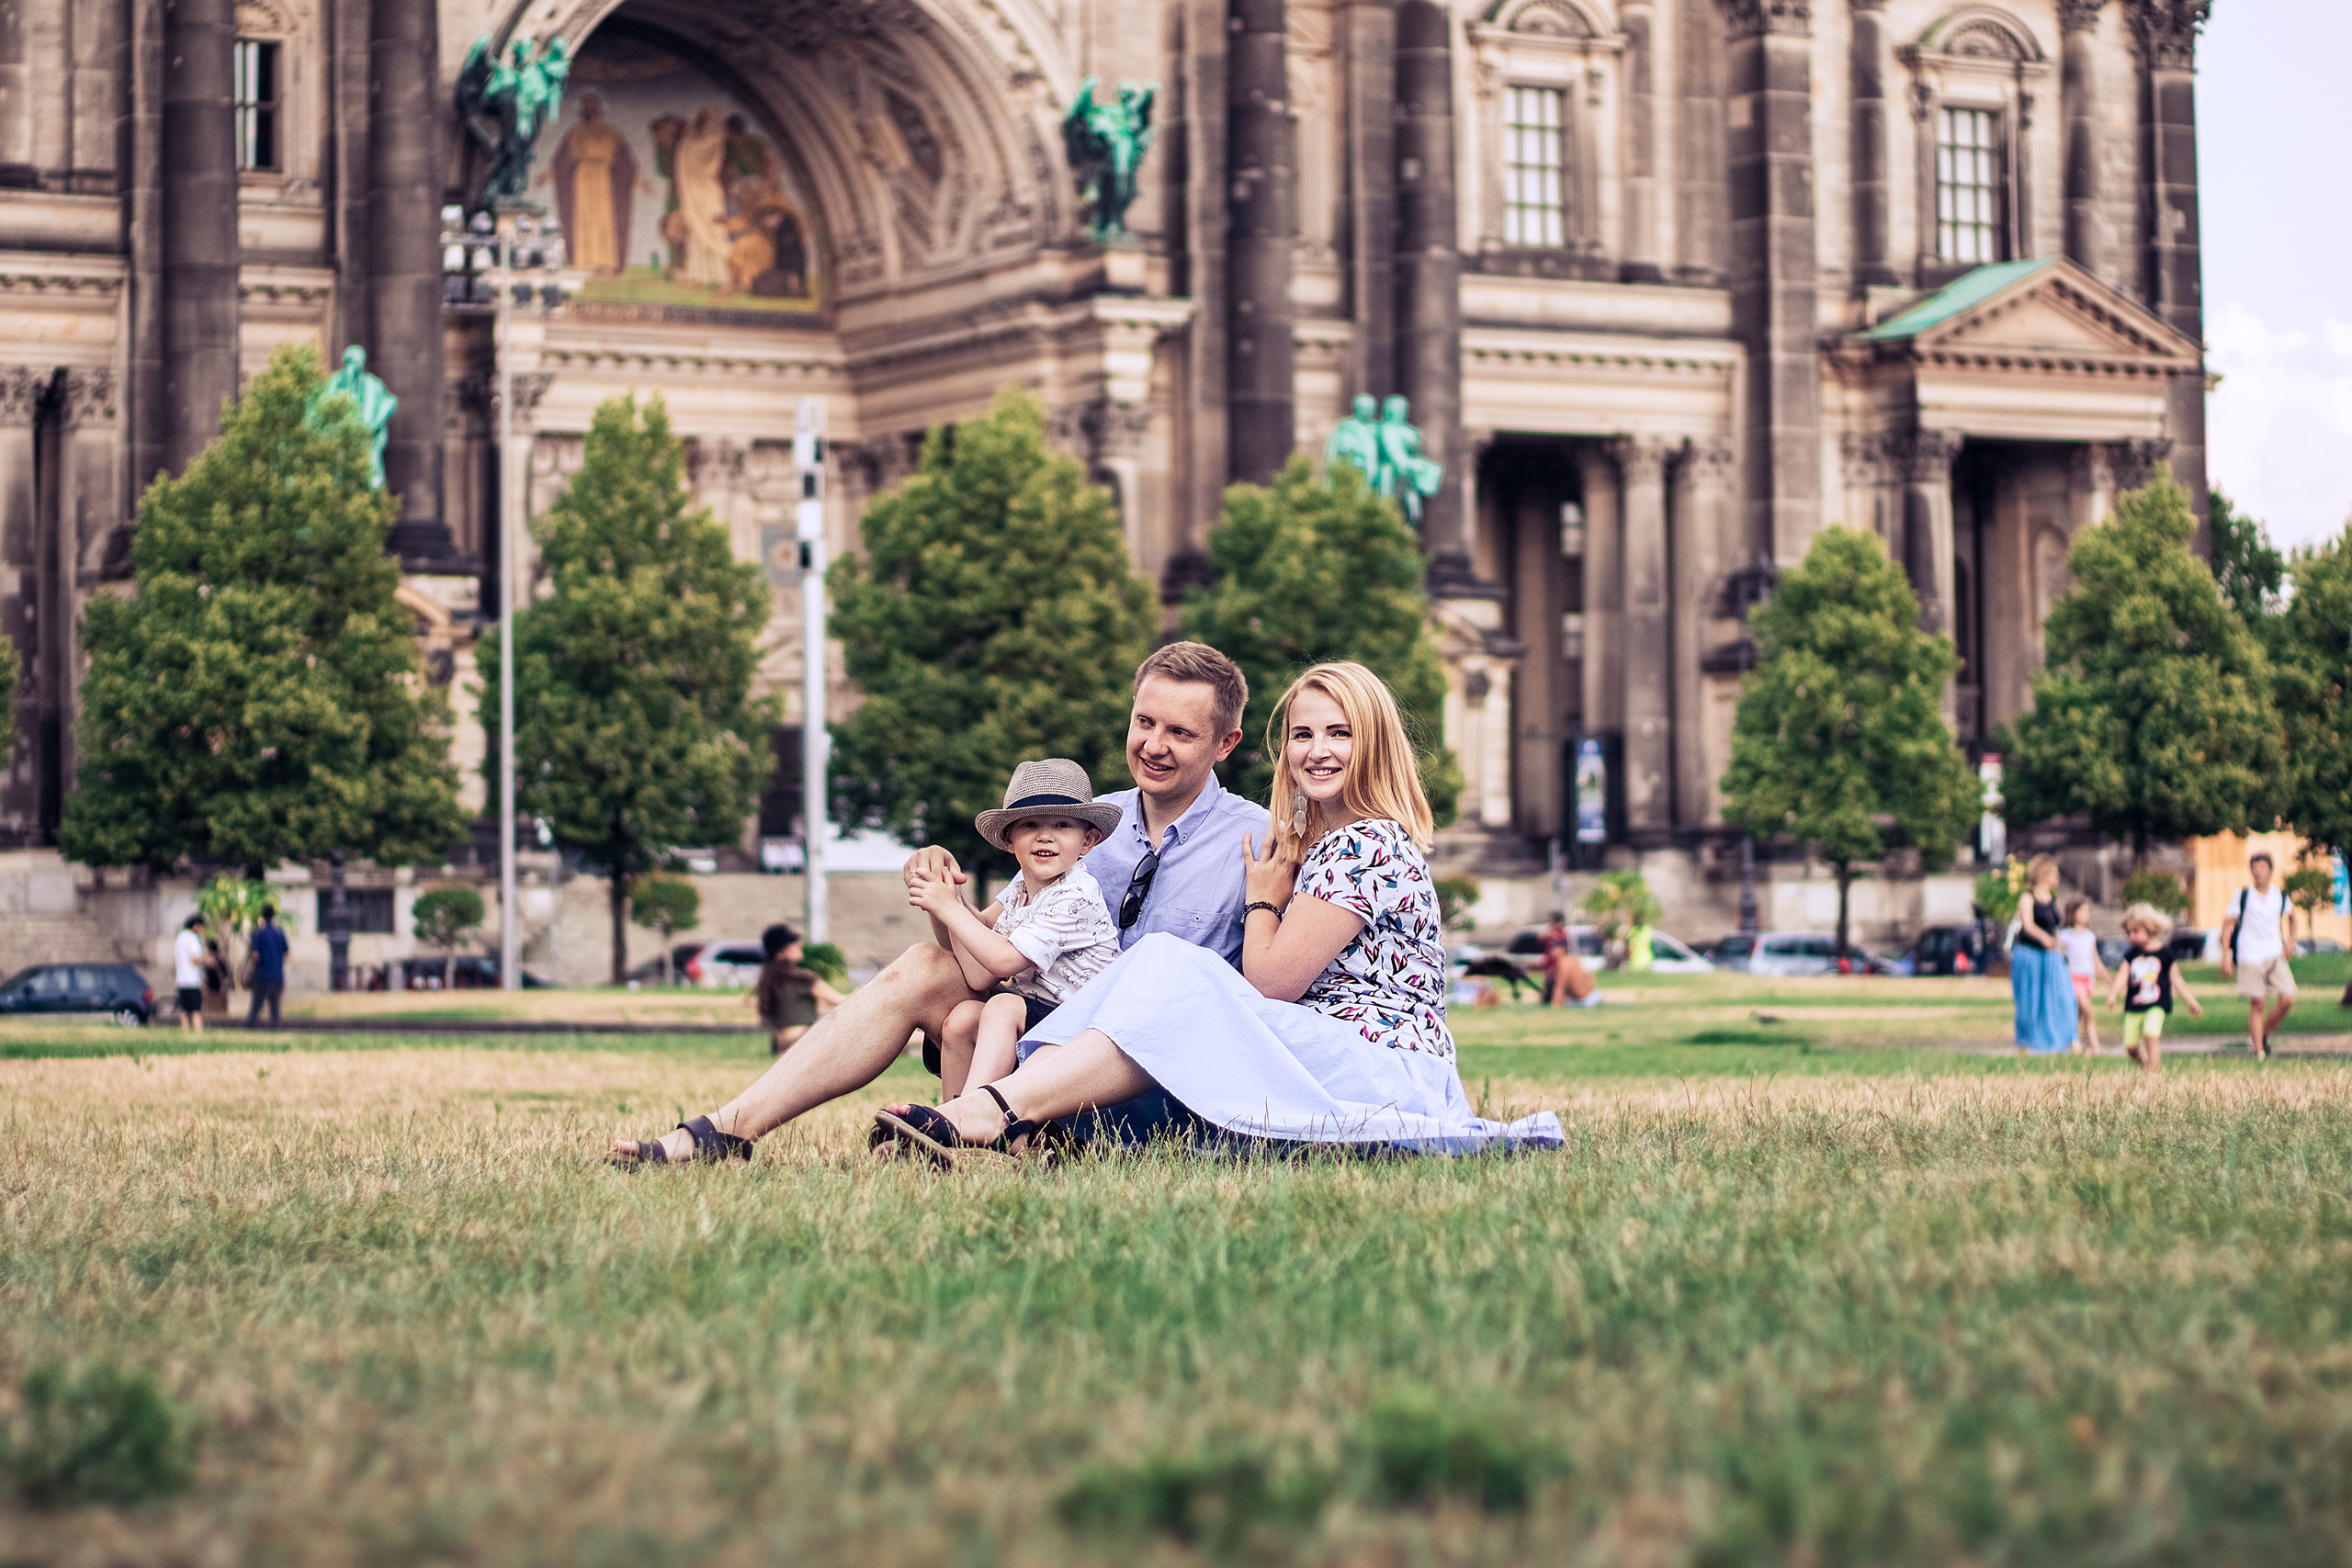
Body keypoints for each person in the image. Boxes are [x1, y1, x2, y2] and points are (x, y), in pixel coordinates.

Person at [607, 641, 1268, 1167]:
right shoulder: (1081, 824)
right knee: (927, 964)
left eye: (1179, 732)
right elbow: (980, 955)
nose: (1152, 744)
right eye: (1143, 722)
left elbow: (1268, 997)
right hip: (1044, 1043)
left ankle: (969, 1123)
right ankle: (729, 1129)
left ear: (1225, 743)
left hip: (1144, 1077)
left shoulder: (1258, 841)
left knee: (1012, 1001)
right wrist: (940, 896)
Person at [871, 661, 1562, 1163]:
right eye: (1301, 734)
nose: (1317, 750)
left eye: (1340, 733)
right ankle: (1008, 1115)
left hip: (1381, 1068)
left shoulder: (1365, 842)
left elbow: (1269, 983)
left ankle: (989, 1109)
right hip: (1322, 1056)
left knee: (1174, 965)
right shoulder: (1320, 842)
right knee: (1162, 998)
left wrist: (1262, 894)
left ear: (1373, 744)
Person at [910, 759, 1123, 1099]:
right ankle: (952, 1122)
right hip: (1044, 1017)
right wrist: (947, 895)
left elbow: (1003, 962)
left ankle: (975, 1113)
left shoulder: (1077, 894)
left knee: (1002, 1006)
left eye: (1064, 824)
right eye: (1030, 824)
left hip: (1086, 1033)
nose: (1045, 835)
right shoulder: (1021, 888)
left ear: (1087, 842)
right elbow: (978, 970)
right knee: (965, 1016)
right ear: (1010, 839)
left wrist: (949, 907)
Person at [2219, 850, 2297, 1061]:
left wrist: (2291, 941)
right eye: (2254, 868)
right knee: (2258, 1002)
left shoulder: (2278, 895)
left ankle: (2261, 1035)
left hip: (2274, 954)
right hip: (2249, 955)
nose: (2258, 871)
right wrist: (2226, 955)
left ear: (2271, 870)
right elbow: (2227, 926)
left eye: (2262, 867)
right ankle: (2259, 1052)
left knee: (2288, 997)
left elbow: (2292, 917)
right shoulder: (2243, 895)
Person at [2109, 902, 2203, 1073]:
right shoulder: (2131, 954)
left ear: (2150, 929)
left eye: (2135, 932)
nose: (2131, 936)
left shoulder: (2165, 954)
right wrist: (2113, 994)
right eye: (2129, 932)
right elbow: (2122, 975)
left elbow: (2177, 979)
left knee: (2150, 1035)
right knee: (2131, 1048)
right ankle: (2146, 1064)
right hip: (2134, 1006)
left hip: (2157, 1003)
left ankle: (2154, 1072)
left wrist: (2191, 1000)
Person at [2008, 855, 2075, 1052]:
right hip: (2029, 954)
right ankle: (2025, 1043)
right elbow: (2028, 925)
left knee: (2061, 998)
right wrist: (2046, 940)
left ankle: (2063, 1040)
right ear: (2043, 874)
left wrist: (2059, 948)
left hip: (2050, 956)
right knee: (2029, 1002)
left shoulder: (2051, 899)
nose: (2058, 876)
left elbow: (2055, 928)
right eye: (2054, 872)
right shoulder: (2027, 897)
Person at [752, 922, 845, 1055]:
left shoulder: (767, 978)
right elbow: (842, 1001)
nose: (798, 944)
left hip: (781, 1046)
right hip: (803, 1043)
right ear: (780, 952)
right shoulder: (804, 978)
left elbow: (764, 1019)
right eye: (792, 943)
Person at [2057, 898, 2108, 1055]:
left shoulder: (2090, 936)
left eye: (2088, 911)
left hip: (2088, 978)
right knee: (2087, 1010)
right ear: (2073, 913)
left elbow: (2095, 959)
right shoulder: (2064, 935)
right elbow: (2058, 958)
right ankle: (2095, 1046)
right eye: (2082, 911)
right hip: (2073, 977)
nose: (2087, 914)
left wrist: (2106, 978)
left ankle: (2076, 1043)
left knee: (2080, 1014)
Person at [246, 907, 289, 1029]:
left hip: (262, 975)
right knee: (275, 1007)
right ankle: (276, 1028)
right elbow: (286, 954)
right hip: (277, 975)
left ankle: (252, 1027)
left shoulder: (258, 933)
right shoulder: (280, 933)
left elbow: (255, 955)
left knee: (257, 1006)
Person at [172, 914, 208, 1034]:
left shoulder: (180, 937)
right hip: (192, 981)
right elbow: (195, 959)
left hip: (181, 980)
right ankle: (198, 1034)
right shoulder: (193, 938)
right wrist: (207, 961)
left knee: (185, 1011)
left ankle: (185, 1034)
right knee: (196, 1011)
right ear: (196, 926)